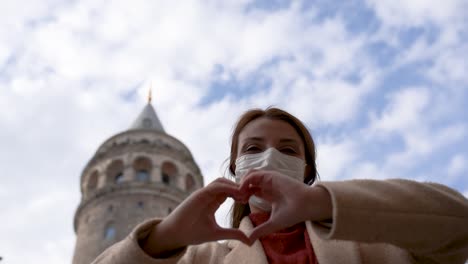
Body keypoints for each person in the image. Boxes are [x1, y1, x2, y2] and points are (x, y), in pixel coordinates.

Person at [93, 107, 468, 264]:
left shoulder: (374, 244)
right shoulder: (205, 258)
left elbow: (457, 224)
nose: (269, 157)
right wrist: (164, 237)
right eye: (253, 148)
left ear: (306, 171)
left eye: (287, 149)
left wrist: (323, 203)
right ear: (236, 169)